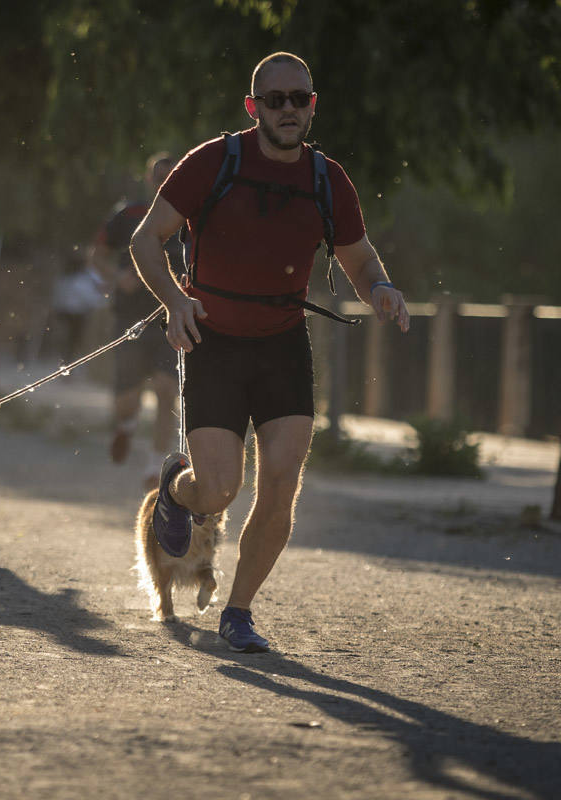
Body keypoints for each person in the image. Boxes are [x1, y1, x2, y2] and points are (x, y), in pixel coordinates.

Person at [130, 52, 410, 653]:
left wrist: (381, 288)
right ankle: (176, 489)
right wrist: (175, 301)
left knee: (281, 482)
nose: (288, 109)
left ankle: (238, 612)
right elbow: (145, 239)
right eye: (275, 99)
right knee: (219, 490)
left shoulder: (327, 179)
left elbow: (360, 258)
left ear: (312, 106)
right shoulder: (214, 162)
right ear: (253, 107)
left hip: (283, 344)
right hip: (212, 342)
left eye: (299, 99)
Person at [90, 154, 183, 490]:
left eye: (170, 176)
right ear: (149, 179)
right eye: (159, 177)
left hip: (170, 317)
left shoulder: (189, 218)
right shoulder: (128, 215)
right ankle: (126, 426)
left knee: (166, 390)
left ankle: (154, 466)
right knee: (126, 401)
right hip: (130, 318)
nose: (164, 182)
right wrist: (117, 277)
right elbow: (97, 256)